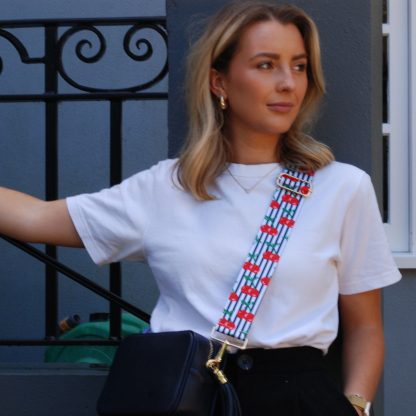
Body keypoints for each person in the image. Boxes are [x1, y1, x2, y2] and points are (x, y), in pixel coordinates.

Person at [0, 1, 401, 415]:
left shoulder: (342, 188)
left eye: (298, 66)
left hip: (299, 399)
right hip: (190, 397)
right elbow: (36, 217)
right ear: (219, 82)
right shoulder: (166, 187)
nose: (288, 83)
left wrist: (356, 405)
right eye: (266, 65)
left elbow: (366, 327)